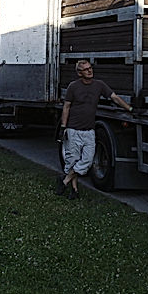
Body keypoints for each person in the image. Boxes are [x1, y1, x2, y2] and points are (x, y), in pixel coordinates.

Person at [56, 59, 131, 199]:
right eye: (86, 69)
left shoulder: (99, 85)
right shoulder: (73, 87)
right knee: (73, 160)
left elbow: (114, 98)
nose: (90, 71)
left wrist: (130, 108)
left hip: (89, 131)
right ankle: (74, 190)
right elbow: (66, 107)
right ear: (79, 73)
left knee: (88, 161)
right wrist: (63, 127)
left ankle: (64, 180)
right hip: (73, 130)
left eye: (90, 68)